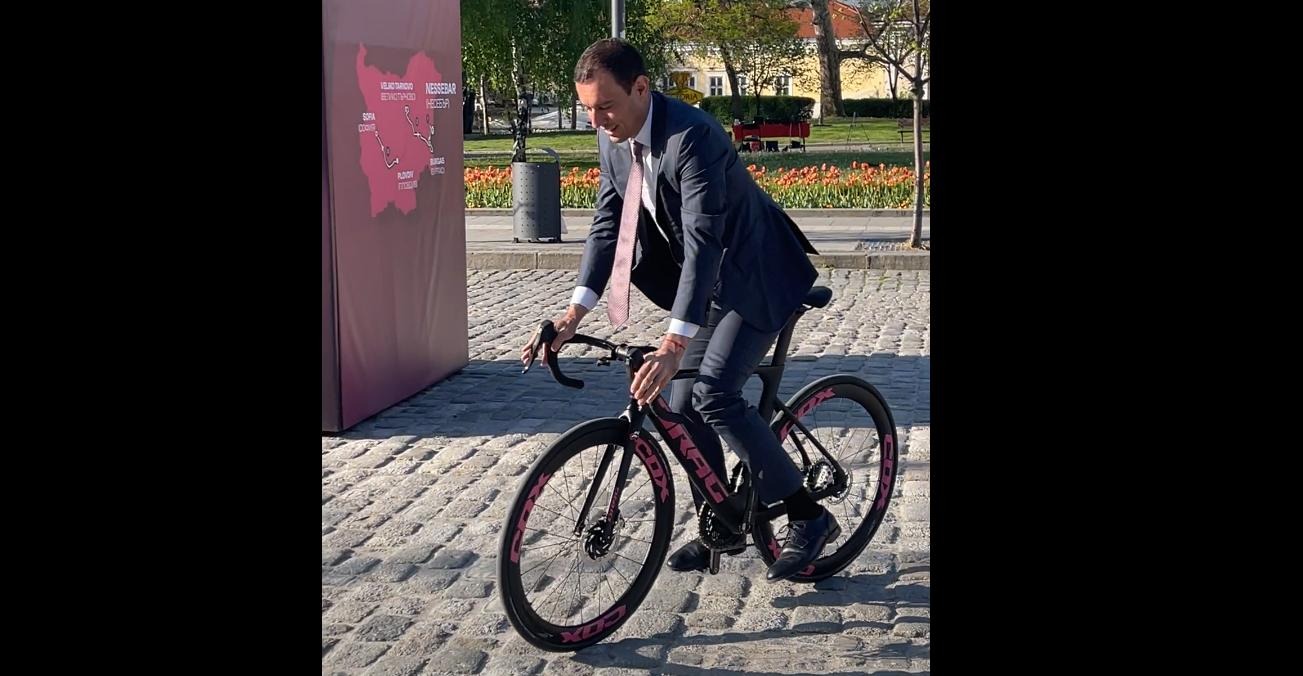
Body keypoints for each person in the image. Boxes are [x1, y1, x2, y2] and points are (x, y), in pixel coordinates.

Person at [519, 38, 836, 582]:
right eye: (588, 109)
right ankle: (725, 516)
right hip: (710, 284)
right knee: (681, 400)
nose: (596, 121)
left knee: (715, 394)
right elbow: (606, 227)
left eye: (605, 106)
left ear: (641, 88)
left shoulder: (692, 138)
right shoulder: (613, 137)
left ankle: (808, 515)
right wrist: (573, 315)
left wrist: (672, 342)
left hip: (756, 274)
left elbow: (704, 242)